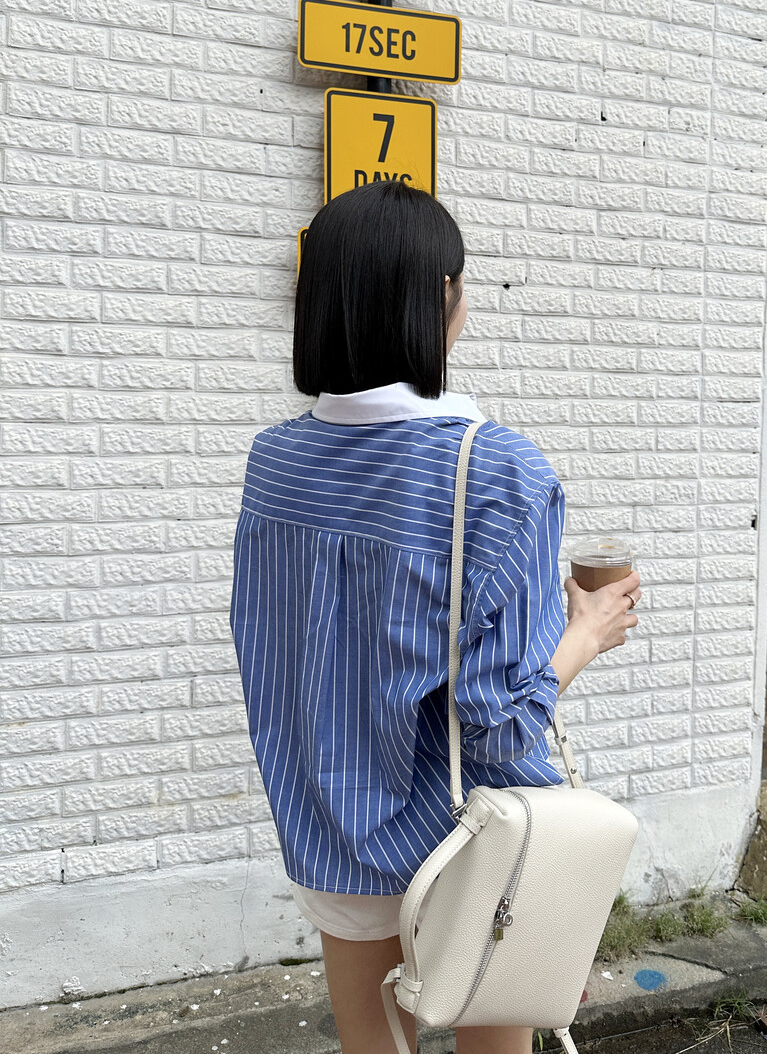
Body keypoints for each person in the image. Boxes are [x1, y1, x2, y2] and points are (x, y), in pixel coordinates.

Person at [230, 181, 641, 1054]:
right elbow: (500, 725)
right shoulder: (498, 473)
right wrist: (586, 632)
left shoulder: (275, 462)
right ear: (443, 298)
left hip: (327, 829)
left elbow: (268, 651)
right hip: (466, 841)